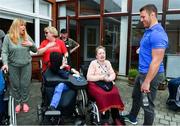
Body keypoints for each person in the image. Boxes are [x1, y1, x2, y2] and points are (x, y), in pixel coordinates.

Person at [123, 4, 168, 125]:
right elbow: (148, 48)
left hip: (151, 74)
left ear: (152, 14)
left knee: (147, 104)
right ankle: (132, 117)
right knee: (136, 96)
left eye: (143, 17)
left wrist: (147, 82)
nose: (141, 20)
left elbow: (156, 61)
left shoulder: (158, 34)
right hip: (142, 72)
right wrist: (141, 50)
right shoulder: (148, 31)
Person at [1, 18, 37, 113]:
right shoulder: (8, 37)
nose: (24, 27)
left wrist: (31, 44)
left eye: (24, 25)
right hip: (13, 66)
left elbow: (35, 50)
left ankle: (24, 102)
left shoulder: (27, 36)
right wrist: (5, 64)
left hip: (26, 65)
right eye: (21, 25)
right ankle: (17, 102)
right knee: (15, 85)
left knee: (25, 85)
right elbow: (4, 52)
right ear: (16, 26)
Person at [86, 46, 125, 125]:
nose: (102, 55)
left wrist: (109, 79)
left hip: (106, 83)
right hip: (95, 84)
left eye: (103, 53)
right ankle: (105, 120)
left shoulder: (107, 62)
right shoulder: (93, 63)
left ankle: (116, 118)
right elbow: (88, 77)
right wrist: (101, 77)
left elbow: (113, 73)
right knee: (104, 95)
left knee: (115, 93)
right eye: (100, 53)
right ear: (96, 56)